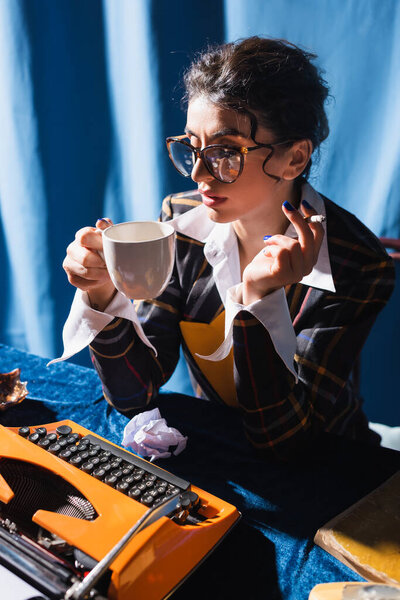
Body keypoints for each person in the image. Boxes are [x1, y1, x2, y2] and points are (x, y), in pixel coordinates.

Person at [60, 36, 394, 458]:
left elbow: (283, 438)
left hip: (332, 465)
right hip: (221, 448)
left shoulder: (357, 264)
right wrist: (103, 294)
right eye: (192, 148)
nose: (199, 173)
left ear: (294, 159)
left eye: (225, 152)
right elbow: (135, 394)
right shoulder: (179, 226)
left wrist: (259, 300)